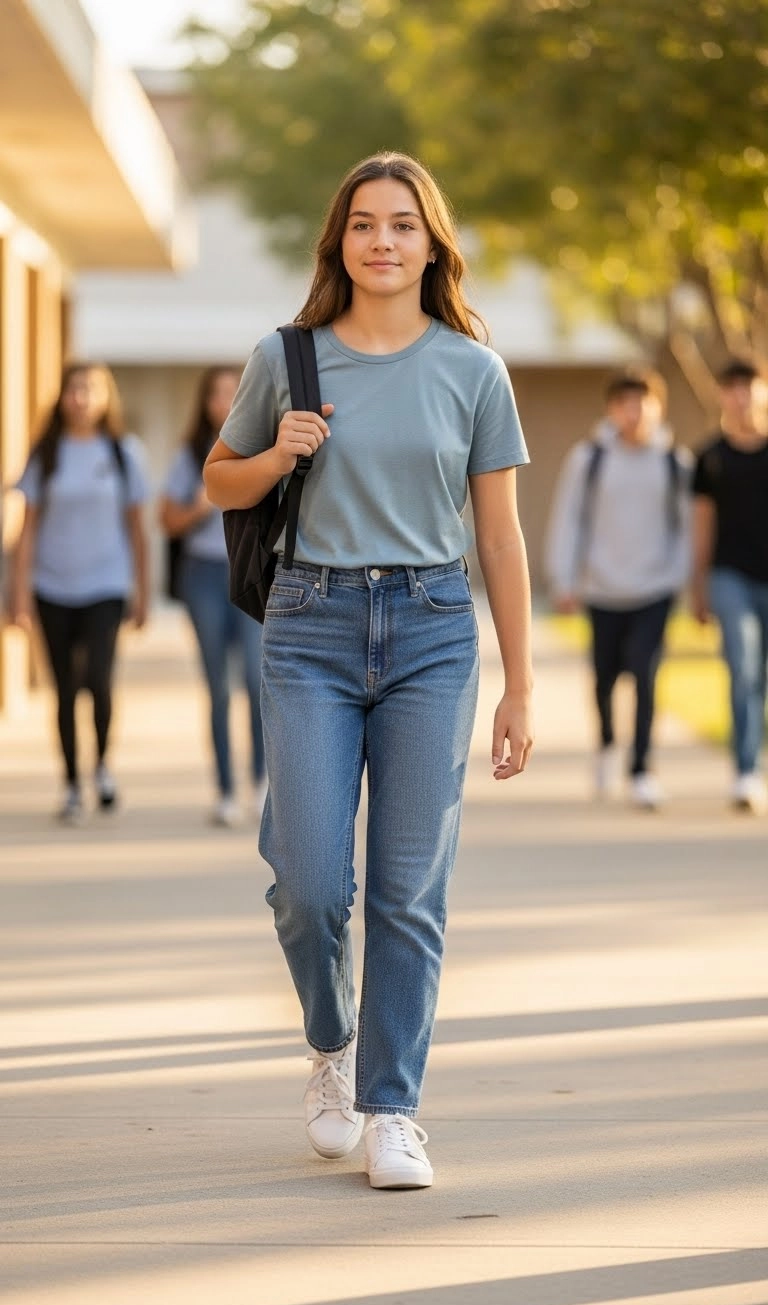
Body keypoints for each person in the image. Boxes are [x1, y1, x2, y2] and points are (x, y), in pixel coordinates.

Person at [203, 151, 533, 1190]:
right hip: (311, 621)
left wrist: (522, 684)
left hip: (434, 627)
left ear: (432, 243)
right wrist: (278, 453)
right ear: (338, 241)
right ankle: (330, 1043)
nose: (382, 241)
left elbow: (503, 537)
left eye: (402, 224)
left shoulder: (474, 369)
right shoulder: (286, 356)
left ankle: (394, 1108)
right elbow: (220, 481)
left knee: (407, 887)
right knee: (307, 879)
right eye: (363, 224)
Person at [545, 367, 690, 809]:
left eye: (644, 402)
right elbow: (569, 519)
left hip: (654, 588)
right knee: (604, 677)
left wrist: (678, 580)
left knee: (645, 676)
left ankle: (642, 769)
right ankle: (607, 746)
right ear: (612, 409)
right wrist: (563, 579)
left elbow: (685, 528)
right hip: (602, 588)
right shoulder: (589, 459)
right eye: (626, 403)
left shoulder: (674, 463)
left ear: (658, 408)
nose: (635, 412)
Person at [12, 362, 149, 823]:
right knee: (65, 688)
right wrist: (17, 593)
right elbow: (26, 529)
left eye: (89, 389)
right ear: (61, 396)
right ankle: (71, 782)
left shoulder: (123, 452)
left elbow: (137, 530)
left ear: (105, 396)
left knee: (100, 678)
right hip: (51, 585)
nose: (80, 398)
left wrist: (143, 590)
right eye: (73, 389)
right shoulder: (45, 453)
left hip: (106, 584)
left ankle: (103, 767)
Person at [159, 367, 267, 827]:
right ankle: (225, 790)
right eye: (217, 394)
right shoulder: (189, 454)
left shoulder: (264, 445)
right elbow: (168, 521)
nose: (224, 401)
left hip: (251, 574)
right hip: (203, 576)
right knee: (218, 689)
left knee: (260, 685)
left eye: (232, 392)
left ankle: (262, 784)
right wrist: (205, 501)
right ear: (205, 402)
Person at [691, 358, 768, 814]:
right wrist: (698, 587)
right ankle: (745, 771)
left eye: (749, 386)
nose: (740, 395)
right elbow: (702, 526)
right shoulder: (710, 458)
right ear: (723, 395)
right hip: (729, 576)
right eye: (732, 387)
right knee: (742, 667)